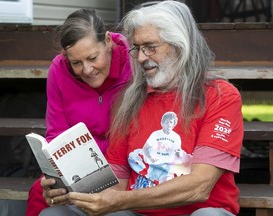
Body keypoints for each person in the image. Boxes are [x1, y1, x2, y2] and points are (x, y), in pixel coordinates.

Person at [40, 1, 243, 215]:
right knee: (55, 213)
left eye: (150, 47)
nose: (141, 57)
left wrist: (120, 200)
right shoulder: (129, 100)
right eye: (136, 48)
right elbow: (116, 184)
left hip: (196, 210)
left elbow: (200, 186)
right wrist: (68, 191)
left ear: (179, 45)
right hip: (136, 211)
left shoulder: (220, 95)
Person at [25, 8, 132, 216]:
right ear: (66, 56)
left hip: (123, 161)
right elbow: (57, 132)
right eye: (76, 63)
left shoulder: (133, 62)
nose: (87, 69)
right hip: (79, 164)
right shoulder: (58, 69)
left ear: (108, 41)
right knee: (41, 191)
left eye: (93, 57)